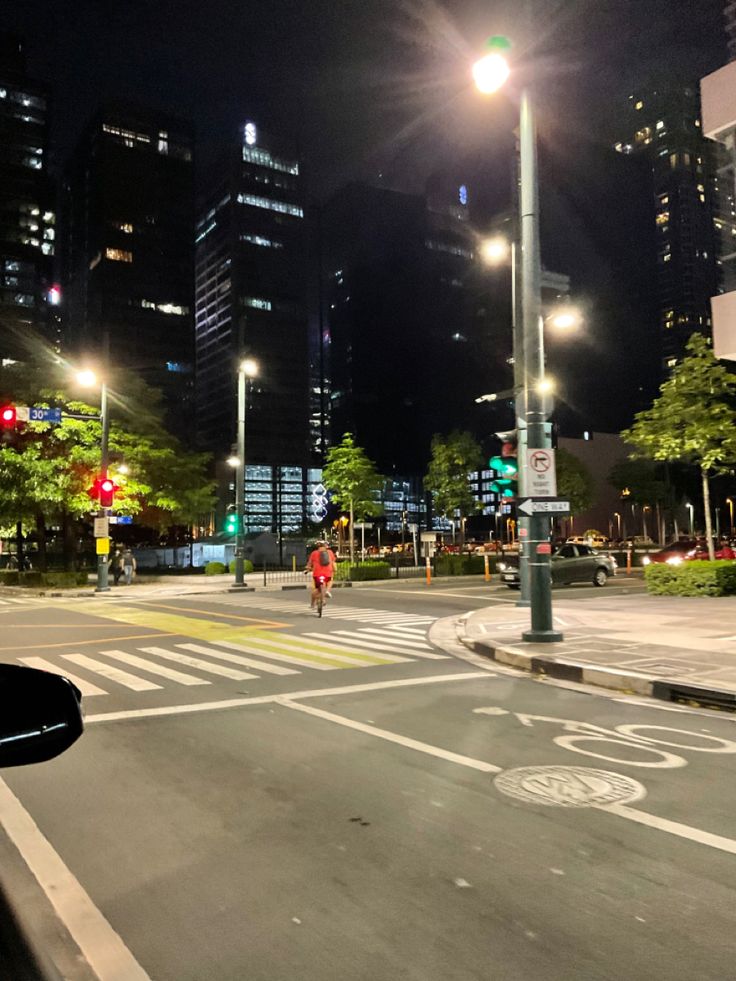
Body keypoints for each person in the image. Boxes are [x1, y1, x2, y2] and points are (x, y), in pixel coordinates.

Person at [305, 540, 336, 609]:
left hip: (317, 574)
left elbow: (309, 564)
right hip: (327, 573)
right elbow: (333, 563)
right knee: (330, 580)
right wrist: (334, 570)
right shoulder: (330, 552)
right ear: (325, 546)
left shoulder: (314, 553)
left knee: (316, 590)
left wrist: (307, 569)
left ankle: (312, 604)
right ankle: (327, 591)